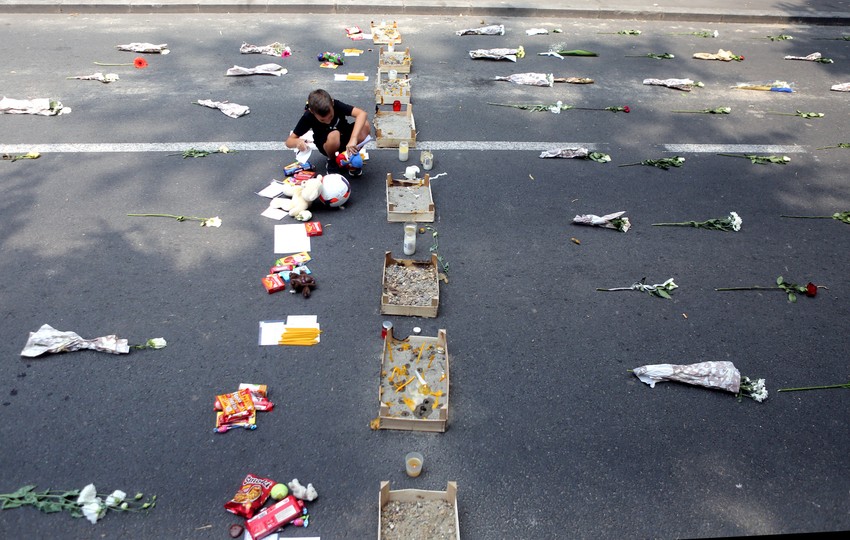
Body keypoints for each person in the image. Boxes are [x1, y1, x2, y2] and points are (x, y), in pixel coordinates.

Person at [286, 89, 371, 176]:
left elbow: (362, 114)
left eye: (331, 116)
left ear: (332, 103)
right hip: (327, 144)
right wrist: (298, 142)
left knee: (365, 125)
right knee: (334, 134)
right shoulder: (308, 116)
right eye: (322, 120)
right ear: (312, 111)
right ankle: (332, 160)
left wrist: (353, 139)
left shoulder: (336, 104)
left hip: (345, 137)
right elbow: (289, 141)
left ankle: (351, 156)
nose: (328, 121)